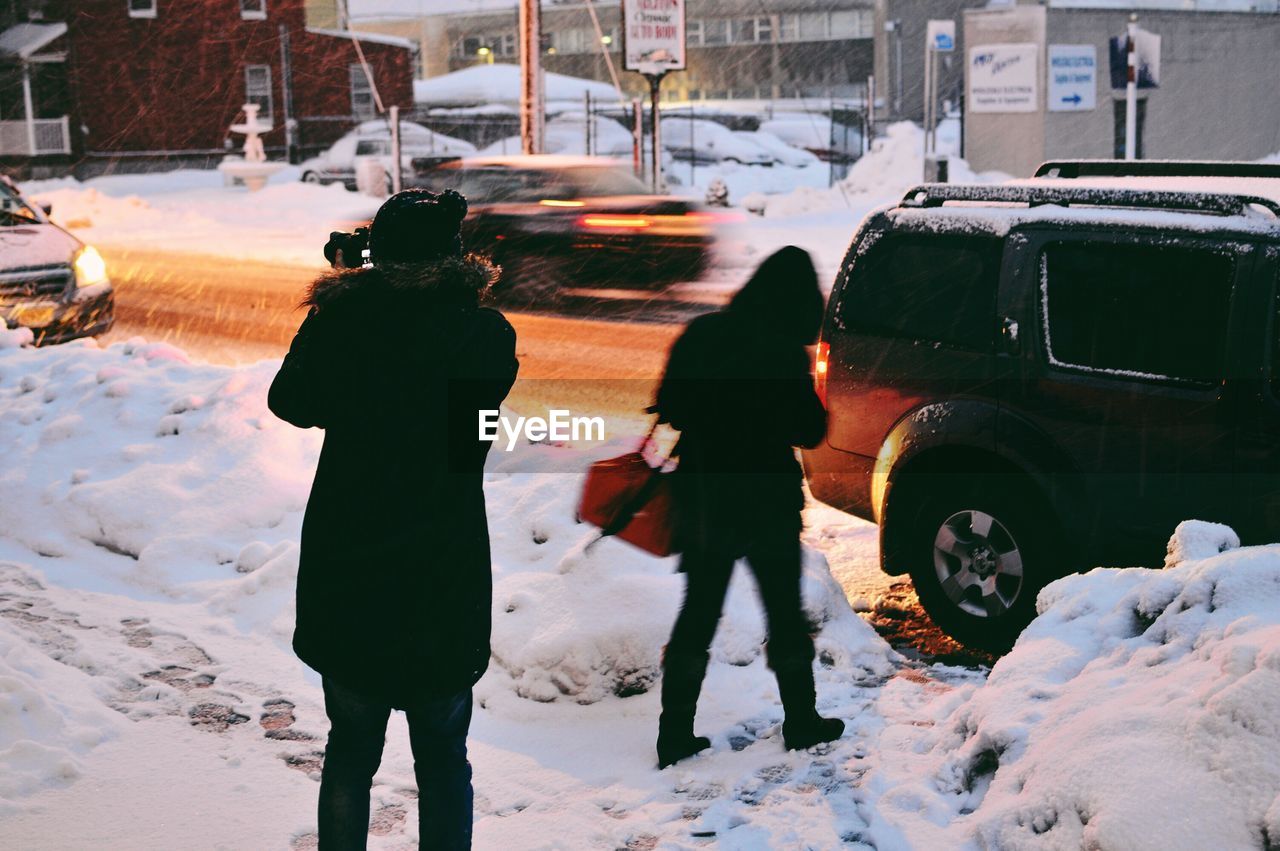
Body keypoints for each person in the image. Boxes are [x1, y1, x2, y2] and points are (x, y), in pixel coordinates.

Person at [268, 189, 518, 849]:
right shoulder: (484, 335)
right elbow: (470, 419)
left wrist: (346, 294)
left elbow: (291, 400)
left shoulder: (342, 327)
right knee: (441, 759)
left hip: (349, 575)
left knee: (349, 752)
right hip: (441, 577)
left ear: (376, 256)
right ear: (453, 259)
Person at [652, 245, 844, 769]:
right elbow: (809, 430)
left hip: (706, 496)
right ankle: (802, 720)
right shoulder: (785, 352)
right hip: (766, 500)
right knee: (783, 611)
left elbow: (669, 405)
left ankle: (674, 735)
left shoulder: (703, 333)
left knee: (698, 613)